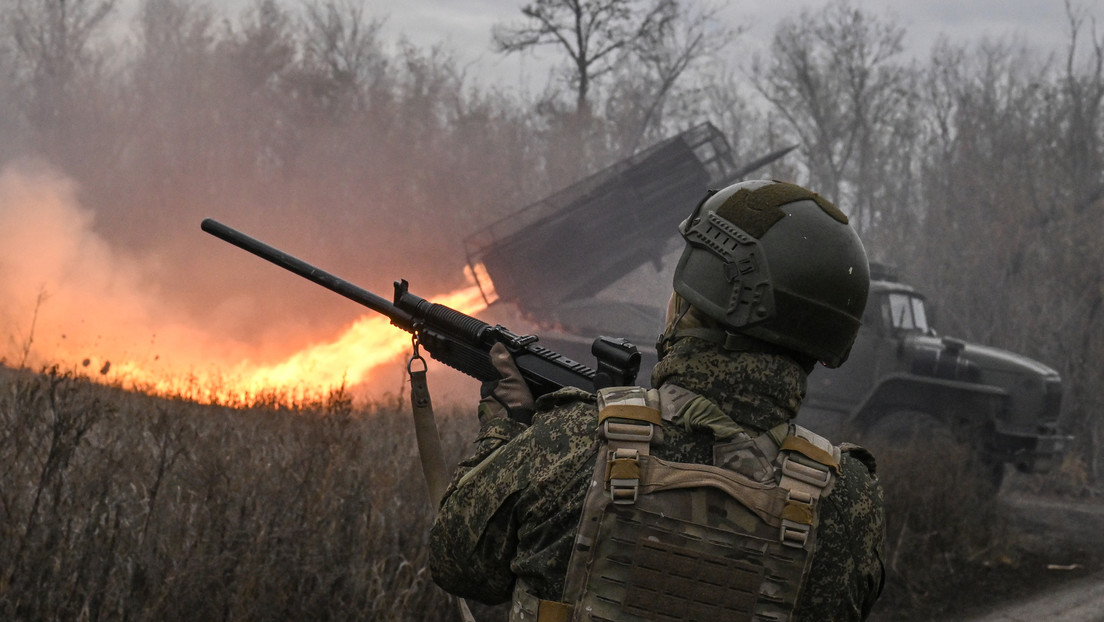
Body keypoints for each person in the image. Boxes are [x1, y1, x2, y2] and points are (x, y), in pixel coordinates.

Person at [429, 179, 886, 621]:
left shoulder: (571, 442)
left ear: (694, 302)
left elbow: (458, 563)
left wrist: (504, 428)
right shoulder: (847, 501)